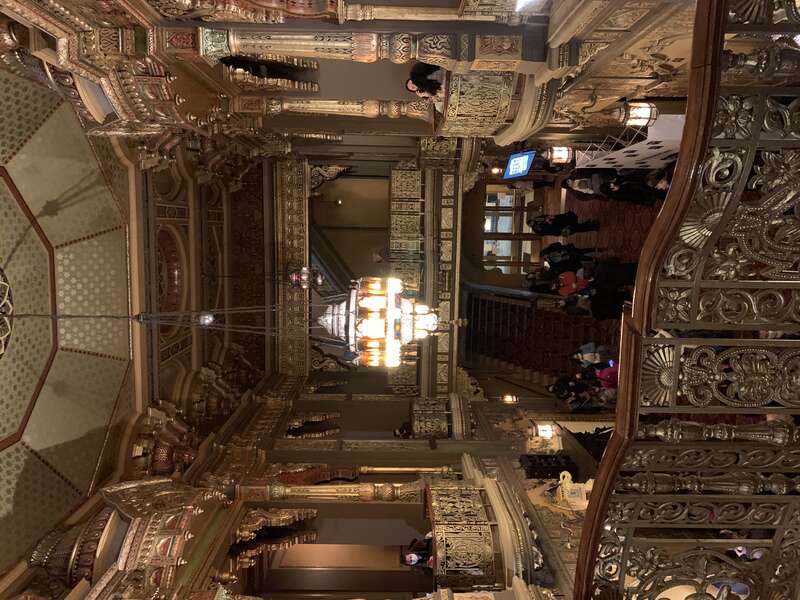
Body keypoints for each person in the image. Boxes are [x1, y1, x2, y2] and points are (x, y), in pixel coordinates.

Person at [528, 211, 600, 236]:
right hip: (558, 229)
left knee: (575, 225)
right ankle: (592, 228)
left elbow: (545, 216)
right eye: (532, 223)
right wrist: (547, 221)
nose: (534, 222)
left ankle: (588, 224)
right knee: (575, 229)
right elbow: (547, 230)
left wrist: (548, 217)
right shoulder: (537, 230)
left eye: (533, 221)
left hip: (558, 221)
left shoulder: (537, 219)